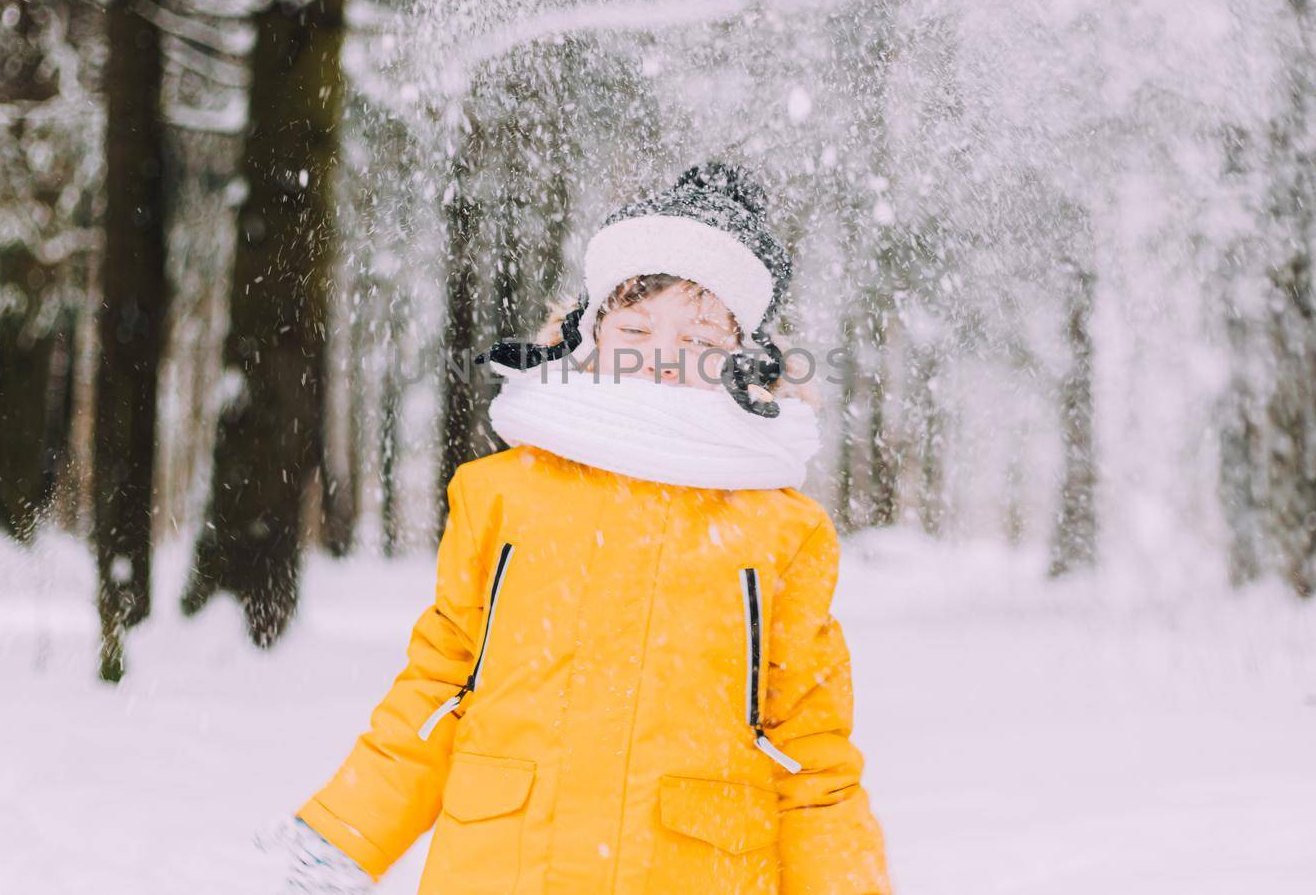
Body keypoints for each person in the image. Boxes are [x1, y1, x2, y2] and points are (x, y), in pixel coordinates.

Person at [264, 163, 891, 893]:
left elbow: (808, 750)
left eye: (699, 338)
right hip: (506, 863)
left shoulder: (781, 530)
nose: (660, 357)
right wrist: (350, 827)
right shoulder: (503, 493)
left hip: (691, 867)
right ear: (586, 335)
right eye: (634, 328)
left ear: (745, 362)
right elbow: (439, 685)